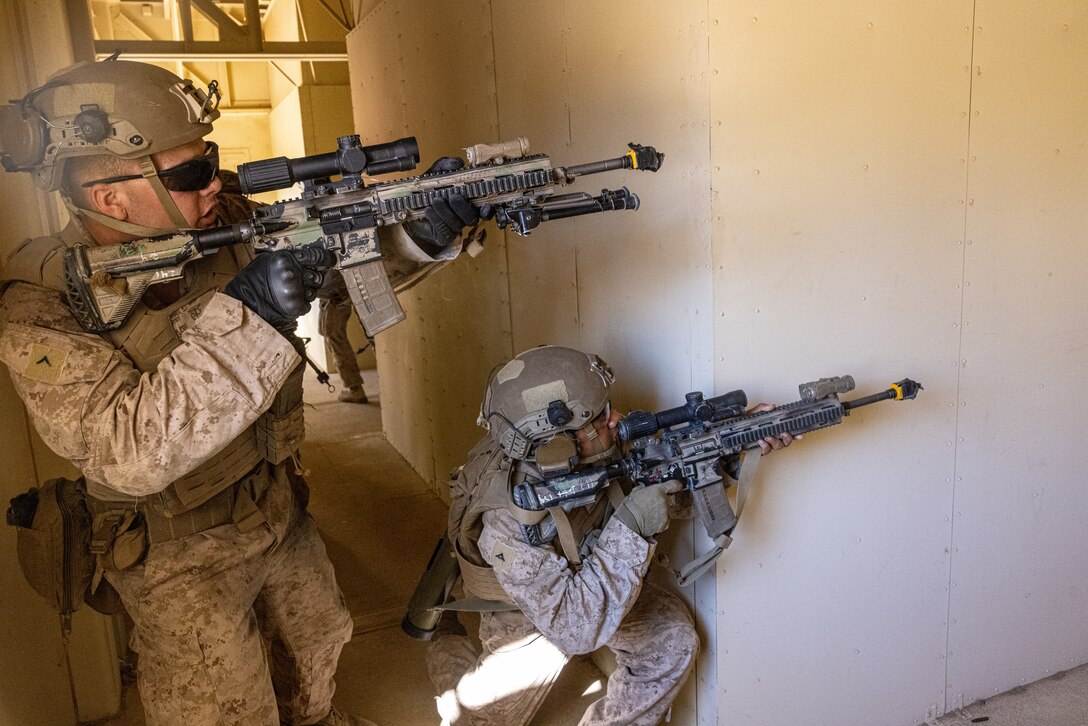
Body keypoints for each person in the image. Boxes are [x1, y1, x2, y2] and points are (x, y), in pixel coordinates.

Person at [0, 58, 475, 726]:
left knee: (315, 660)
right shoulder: (40, 305)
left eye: (213, 162)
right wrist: (252, 314)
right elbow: (125, 449)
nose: (216, 183)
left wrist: (415, 239)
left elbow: (338, 281)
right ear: (111, 197)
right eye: (193, 173)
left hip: (275, 510)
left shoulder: (229, 226)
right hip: (174, 558)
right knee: (225, 711)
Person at [426, 345, 792, 725]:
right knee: (478, 719)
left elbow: (667, 494)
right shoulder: (504, 520)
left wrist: (733, 453)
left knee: (670, 644)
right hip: (527, 612)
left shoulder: (599, 449)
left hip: (590, 579)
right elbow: (575, 628)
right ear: (557, 444)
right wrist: (632, 528)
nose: (616, 419)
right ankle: (445, 637)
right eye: (600, 419)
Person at [318, 271, 370, 404]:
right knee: (374, 330)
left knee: (334, 337)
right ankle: (358, 388)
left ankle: (355, 389)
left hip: (335, 284)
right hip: (357, 274)